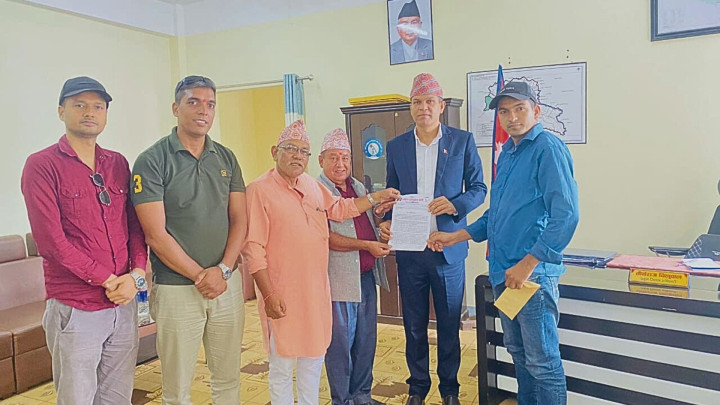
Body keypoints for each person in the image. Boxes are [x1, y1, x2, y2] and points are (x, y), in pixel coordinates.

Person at [428, 81, 580, 405]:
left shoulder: (547, 149)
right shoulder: (508, 153)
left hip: (531, 278)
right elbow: (495, 215)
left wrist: (528, 264)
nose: (512, 118)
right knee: (519, 354)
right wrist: (455, 236)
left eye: (519, 109)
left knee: (543, 363)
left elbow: (566, 215)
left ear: (536, 111)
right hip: (504, 275)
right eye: (504, 112)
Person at [241, 120, 399, 405]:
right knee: (282, 365)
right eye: (291, 149)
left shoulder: (311, 186)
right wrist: (269, 294)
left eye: (303, 151)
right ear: (275, 151)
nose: (297, 156)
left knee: (312, 361)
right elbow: (253, 248)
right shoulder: (259, 190)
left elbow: (341, 208)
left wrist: (377, 197)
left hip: (316, 293)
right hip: (282, 293)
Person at [21, 76, 148, 404]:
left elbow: (134, 227)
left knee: (117, 396)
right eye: (79, 105)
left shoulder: (117, 163)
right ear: (61, 111)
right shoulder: (42, 165)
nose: (89, 112)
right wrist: (108, 279)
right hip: (76, 307)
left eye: (98, 106)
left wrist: (136, 276)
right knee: (77, 397)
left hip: (123, 303)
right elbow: (51, 242)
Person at [131, 75, 246, 405]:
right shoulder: (152, 160)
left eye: (210, 104)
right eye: (193, 102)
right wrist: (200, 275)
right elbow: (155, 234)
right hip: (177, 288)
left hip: (226, 284)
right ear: (175, 108)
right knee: (177, 388)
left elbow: (240, 220)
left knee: (228, 378)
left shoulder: (226, 158)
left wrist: (223, 271)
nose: (203, 110)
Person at [381, 73, 486, 405]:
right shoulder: (396, 146)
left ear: (441, 106)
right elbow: (391, 193)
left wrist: (456, 205)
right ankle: (417, 388)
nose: (423, 107)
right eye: (417, 102)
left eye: (429, 101)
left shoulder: (462, 141)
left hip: (447, 251)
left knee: (449, 326)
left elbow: (479, 188)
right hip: (410, 252)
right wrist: (385, 220)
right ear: (410, 107)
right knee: (413, 326)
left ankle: (450, 390)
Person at [317, 128, 391, 405]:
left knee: (365, 341)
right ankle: (343, 400)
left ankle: (362, 396)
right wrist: (366, 245)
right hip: (339, 280)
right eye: (333, 157)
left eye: (345, 158)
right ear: (321, 160)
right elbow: (327, 238)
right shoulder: (317, 191)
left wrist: (382, 230)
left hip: (366, 276)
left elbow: (367, 225)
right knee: (340, 345)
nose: (340, 164)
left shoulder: (358, 187)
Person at [390, 0, 434, 64]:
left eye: (414, 23)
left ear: (420, 25)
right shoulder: (391, 50)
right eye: (405, 24)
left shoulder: (430, 45)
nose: (409, 29)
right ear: (398, 29)